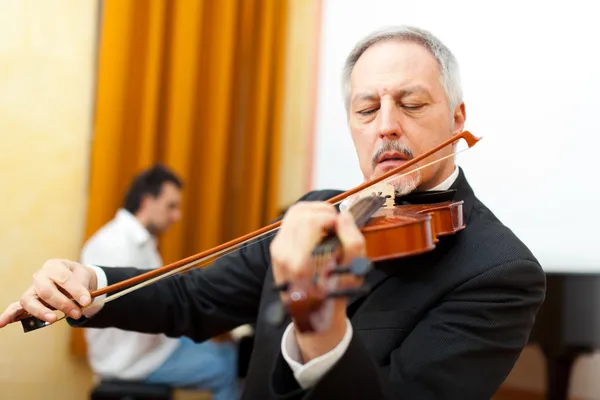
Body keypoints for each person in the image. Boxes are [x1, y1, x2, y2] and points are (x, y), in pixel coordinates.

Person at [1, 26, 546, 399]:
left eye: (411, 103)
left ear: (457, 117)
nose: (385, 125)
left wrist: (319, 322)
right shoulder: (317, 212)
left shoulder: (499, 270)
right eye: (366, 108)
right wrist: (89, 282)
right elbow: (195, 299)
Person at [79, 165, 238, 400]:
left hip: (150, 346)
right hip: (132, 359)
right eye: (171, 206)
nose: (177, 216)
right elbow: (132, 312)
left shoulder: (139, 240)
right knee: (226, 368)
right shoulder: (116, 246)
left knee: (229, 352)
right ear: (147, 201)